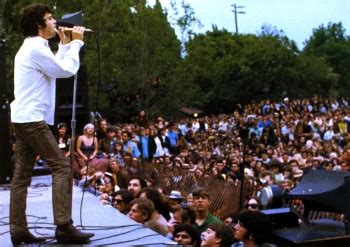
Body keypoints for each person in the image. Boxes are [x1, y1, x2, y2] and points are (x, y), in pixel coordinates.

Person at [9, 3, 94, 245]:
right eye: (49, 18)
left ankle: (18, 230)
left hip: (24, 117)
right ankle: (64, 226)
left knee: (22, 175)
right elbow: (65, 70)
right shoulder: (35, 48)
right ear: (39, 24)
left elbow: (55, 65)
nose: (55, 21)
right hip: (32, 119)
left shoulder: (36, 47)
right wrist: (77, 42)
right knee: (62, 167)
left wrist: (65, 44)